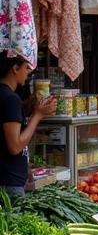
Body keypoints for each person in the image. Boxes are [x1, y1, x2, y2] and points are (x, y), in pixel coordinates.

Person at [1, 55, 58, 197]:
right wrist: (38, 116)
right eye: (26, 68)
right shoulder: (11, 99)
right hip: (9, 183)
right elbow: (15, 146)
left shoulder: (7, 97)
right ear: (15, 68)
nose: (28, 73)